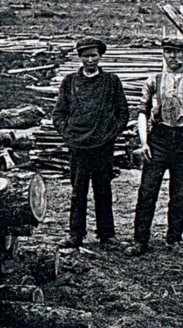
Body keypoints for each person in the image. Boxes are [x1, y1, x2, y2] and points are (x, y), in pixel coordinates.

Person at [124, 38, 183, 257]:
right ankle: (140, 240)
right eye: (168, 52)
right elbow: (142, 111)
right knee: (148, 190)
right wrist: (144, 143)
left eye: (177, 52)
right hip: (159, 138)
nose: (173, 56)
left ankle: (174, 239)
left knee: (179, 193)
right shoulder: (154, 80)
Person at [53, 36, 129, 249]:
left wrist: (110, 134)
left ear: (100, 56)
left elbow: (122, 112)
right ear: (80, 57)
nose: (90, 60)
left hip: (102, 147)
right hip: (78, 146)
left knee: (103, 190)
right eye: (86, 56)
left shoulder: (111, 81)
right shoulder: (70, 82)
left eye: (94, 56)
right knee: (78, 191)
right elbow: (59, 113)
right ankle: (76, 234)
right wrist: (68, 134)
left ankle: (107, 235)